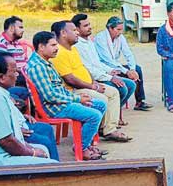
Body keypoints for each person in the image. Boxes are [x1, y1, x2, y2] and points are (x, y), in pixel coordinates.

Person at [26, 31, 106, 160]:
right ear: (41, 47)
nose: (57, 48)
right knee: (94, 115)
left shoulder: (45, 61)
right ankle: (82, 148)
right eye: (53, 45)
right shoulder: (37, 67)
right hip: (55, 107)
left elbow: (58, 88)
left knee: (100, 105)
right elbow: (50, 96)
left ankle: (84, 143)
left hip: (62, 101)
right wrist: (77, 99)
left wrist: (76, 97)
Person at [50, 20, 130, 141]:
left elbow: (83, 68)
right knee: (102, 98)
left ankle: (109, 129)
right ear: (63, 33)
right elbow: (70, 79)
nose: (77, 33)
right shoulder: (59, 53)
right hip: (74, 90)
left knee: (113, 92)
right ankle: (98, 130)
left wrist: (93, 82)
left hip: (87, 85)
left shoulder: (72, 49)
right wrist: (92, 87)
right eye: (74, 30)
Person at [72, 14, 135, 124]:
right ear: (77, 29)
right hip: (92, 78)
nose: (89, 27)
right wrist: (110, 77)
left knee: (131, 84)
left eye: (89, 24)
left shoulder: (89, 41)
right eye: (85, 26)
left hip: (103, 72)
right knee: (122, 88)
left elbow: (97, 62)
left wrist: (110, 70)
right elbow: (89, 69)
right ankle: (108, 121)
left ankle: (112, 116)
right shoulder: (78, 45)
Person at [94, 16, 151, 111]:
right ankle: (115, 107)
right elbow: (107, 60)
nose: (120, 32)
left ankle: (139, 102)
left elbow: (128, 53)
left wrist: (132, 69)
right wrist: (126, 71)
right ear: (110, 28)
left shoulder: (120, 37)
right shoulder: (100, 38)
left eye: (121, 29)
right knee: (125, 74)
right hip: (104, 68)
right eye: (118, 29)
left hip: (116, 67)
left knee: (137, 69)